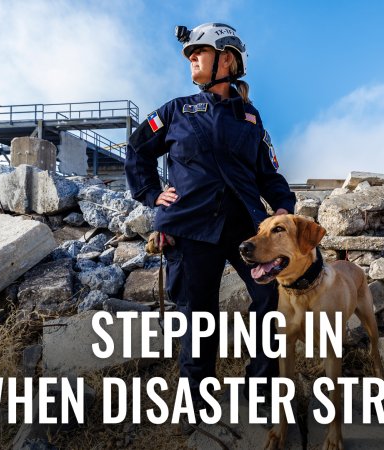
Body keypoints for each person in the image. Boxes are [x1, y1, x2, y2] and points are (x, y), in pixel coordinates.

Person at [124, 22, 296, 422]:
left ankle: (262, 389)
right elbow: (137, 150)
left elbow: (268, 173)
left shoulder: (251, 119)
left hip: (244, 230)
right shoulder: (175, 111)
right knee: (199, 315)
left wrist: (283, 206)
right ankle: (195, 401)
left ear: (228, 59)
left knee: (269, 300)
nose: (192, 59)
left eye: (199, 52)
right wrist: (151, 194)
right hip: (190, 229)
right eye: (190, 54)